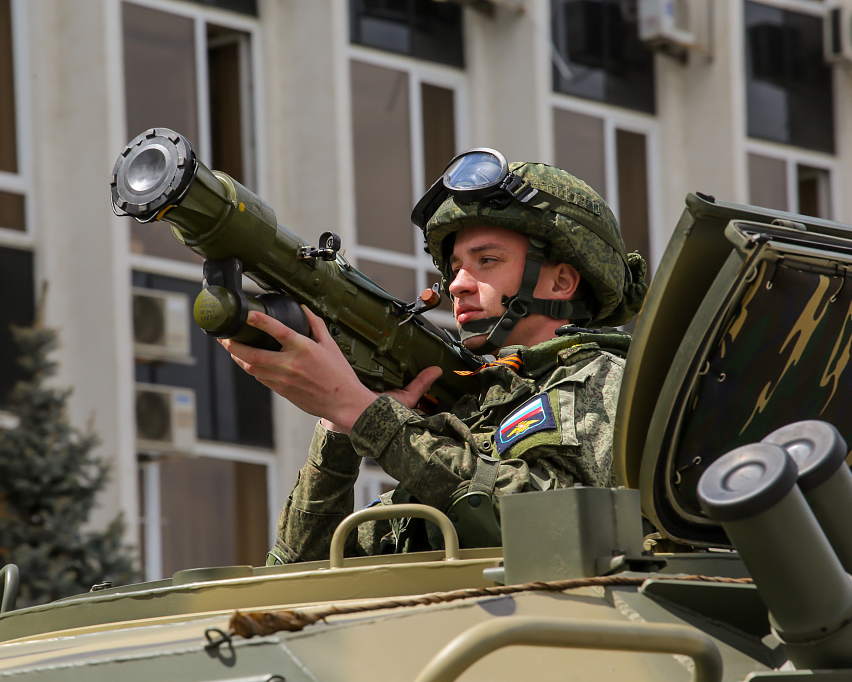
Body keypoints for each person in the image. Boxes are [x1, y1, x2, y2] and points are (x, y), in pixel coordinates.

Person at [219, 150, 648, 563]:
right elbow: (298, 570)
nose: (458, 283)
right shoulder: (470, 409)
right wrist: (338, 427)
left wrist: (370, 416)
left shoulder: (606, 380)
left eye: (487, 260)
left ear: (561, 282)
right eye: (456, 266)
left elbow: (554, 526)